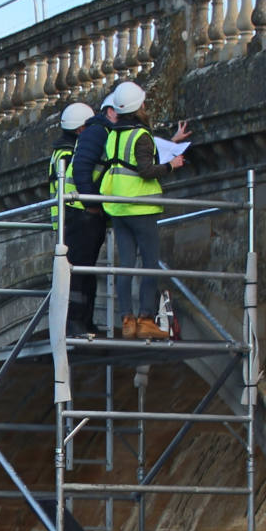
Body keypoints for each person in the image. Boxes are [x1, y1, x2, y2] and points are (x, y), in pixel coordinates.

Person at [99, 81, 190, 339]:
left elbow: (127, 161)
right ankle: (147, 318)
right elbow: (145, 170)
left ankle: (127, 320)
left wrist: (171, 141)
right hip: (141, 206)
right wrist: (172, 165)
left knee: (126, 265)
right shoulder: (141, 134)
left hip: (118, 208)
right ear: (139, 106)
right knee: (149, 264)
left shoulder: (113, 134)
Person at [48, 102, 103, 337]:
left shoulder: (61, 150)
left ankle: (83, 322)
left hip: (69, 219)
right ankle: (76, 324)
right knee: (79, 275)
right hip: (78, 216)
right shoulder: (72, 152)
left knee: (83, 273)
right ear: (81, 129)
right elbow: (83, 177)